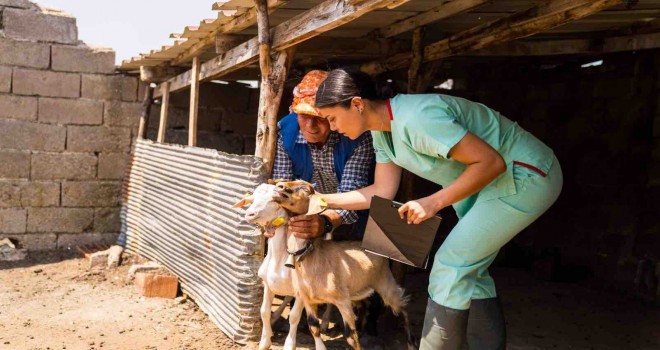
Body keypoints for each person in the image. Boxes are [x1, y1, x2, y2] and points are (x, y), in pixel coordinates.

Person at [313, 68, 563, 350]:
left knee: (450, 265)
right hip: (487, 185)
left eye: (332, 118)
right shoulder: (381, 133)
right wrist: (319, 200)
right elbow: (381, 192)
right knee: (470, 273)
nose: (332, 127)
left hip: (526, 176)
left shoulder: (419, 118)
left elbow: (491, 162)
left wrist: (432, 202)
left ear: (357, 104)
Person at [273, 69, 375, 240]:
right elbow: (282, 189)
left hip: (358, 214)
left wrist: (325, 222)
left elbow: (352, 195)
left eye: (320, 118)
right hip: (302, 216)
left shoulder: (356, 136)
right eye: (304, 115)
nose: (310, 126)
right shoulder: (285, 132)